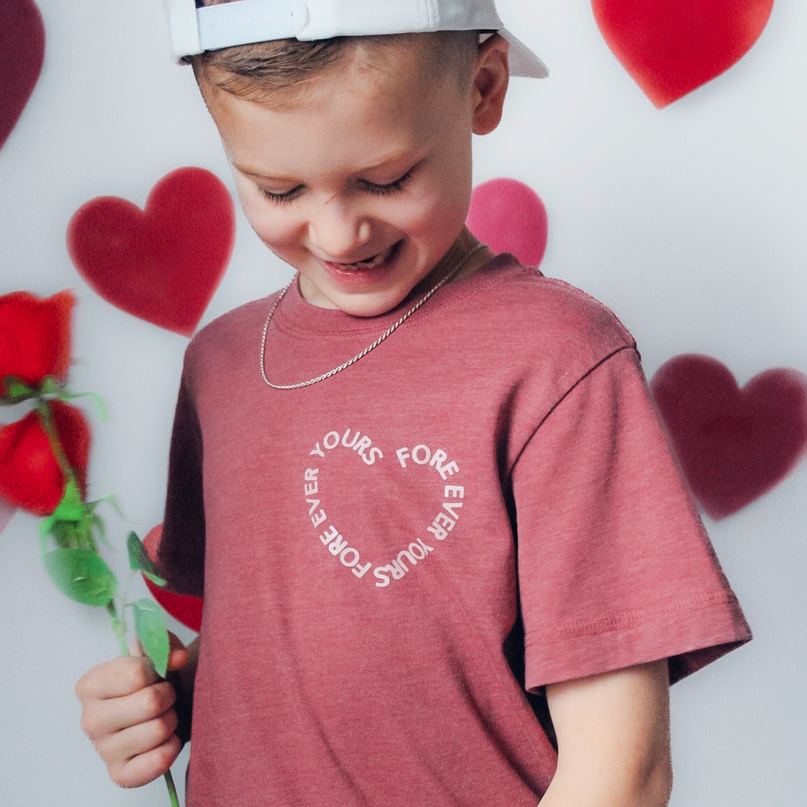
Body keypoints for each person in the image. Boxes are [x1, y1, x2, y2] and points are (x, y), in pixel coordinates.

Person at [75, 2, 752, 805]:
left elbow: (621, 773)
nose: (336, 233)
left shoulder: (557, 360)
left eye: (385, 178)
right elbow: (297, 662)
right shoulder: (217, 365)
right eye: (278, 188)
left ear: (483, 86)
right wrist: (165, 705)